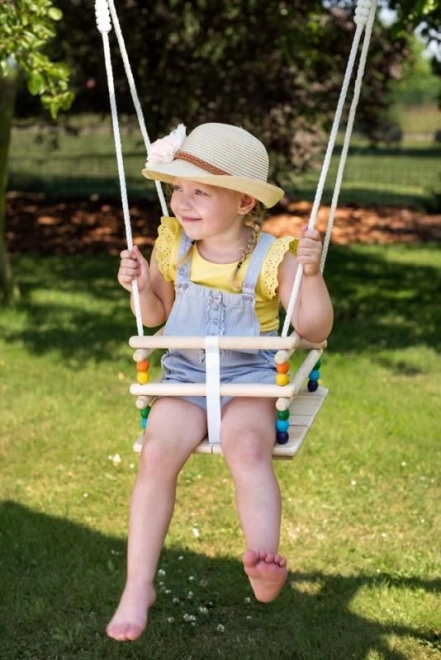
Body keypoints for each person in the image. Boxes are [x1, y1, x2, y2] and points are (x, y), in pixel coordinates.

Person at [107, 122, 334, 642]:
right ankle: (138, 583)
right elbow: (157, 314)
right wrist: (140, 286)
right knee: (156, 457)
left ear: (243, 203)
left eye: (199, 191)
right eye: (177, 189)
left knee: (248, 449)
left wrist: (314, 277)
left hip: (250, 380)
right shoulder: (173, 248)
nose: (182, 203)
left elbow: (315, 328)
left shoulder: (275, 257)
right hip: (184, 378)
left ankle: (263, 557)